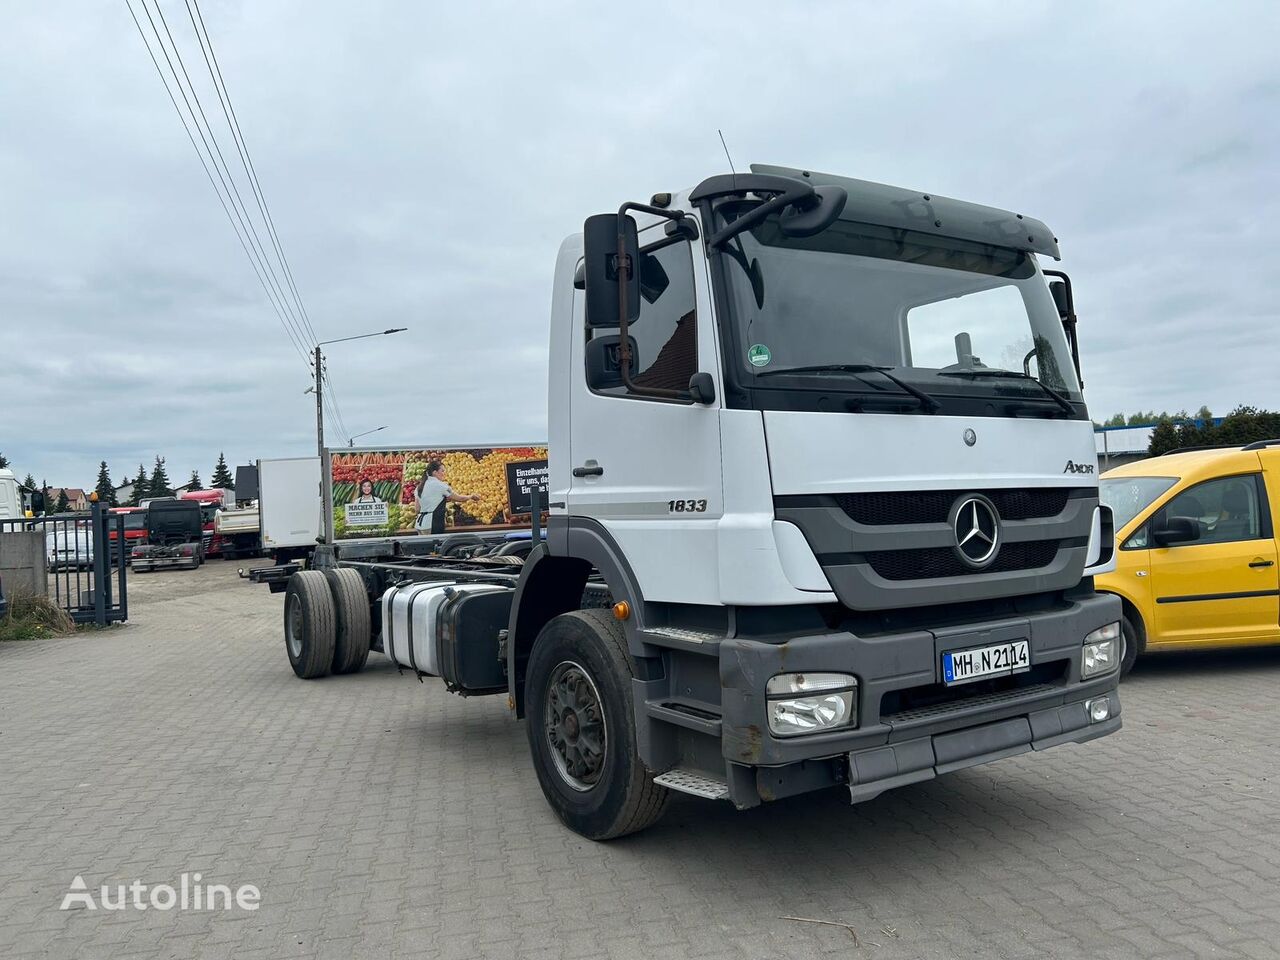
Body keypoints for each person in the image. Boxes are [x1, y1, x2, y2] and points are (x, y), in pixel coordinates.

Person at [414, 461, 479, 534]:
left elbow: (417, 509)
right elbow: (460, 498)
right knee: (436, 545)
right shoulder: (440, 485)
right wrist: (471, 496)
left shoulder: (419, 487)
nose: (444, 473)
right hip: (432, 525)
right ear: (435, 472)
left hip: (420, 525)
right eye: (442, 471)